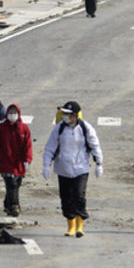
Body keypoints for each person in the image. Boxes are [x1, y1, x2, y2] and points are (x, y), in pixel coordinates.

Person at [43, 101, 103, 238]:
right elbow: (50, 148)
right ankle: (70, 226)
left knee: (79, 196)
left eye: (68, 114)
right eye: (64, 113)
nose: (65, 116)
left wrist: (99, 163)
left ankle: (79, 227)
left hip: (81, 168)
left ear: (75, 115)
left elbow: (95, 145)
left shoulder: (85, 128)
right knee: (66, 198)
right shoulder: (59, 129)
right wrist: (46, 165)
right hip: (63, 168)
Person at [0, 104, 32, 216]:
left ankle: (7, 204)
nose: (12, 115)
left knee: (16, 184)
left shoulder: (24, 128)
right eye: (10, 113)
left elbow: (28, 145)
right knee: (12, 184)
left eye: (14, 113)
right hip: (6, 162)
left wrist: (28, 159)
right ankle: (15, 205)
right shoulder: (2, 128)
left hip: (19, 164)